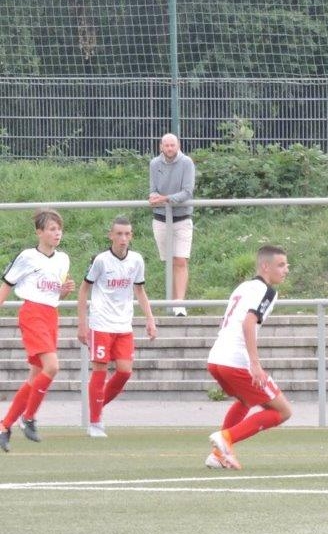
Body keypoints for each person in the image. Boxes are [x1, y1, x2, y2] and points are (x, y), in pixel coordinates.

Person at [205, 244, 293, 470]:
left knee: (246, 401)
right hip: (236, 360)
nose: (286, 270)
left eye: (286, 265)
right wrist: (255, 364)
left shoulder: (243, 287)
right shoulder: (268, 292)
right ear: (265, 266)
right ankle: (226, 438)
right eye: (281, 265)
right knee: (282, 411)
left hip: (216, 359)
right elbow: (248, 322)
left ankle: (218, 455)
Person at [76, 215, 158, 438]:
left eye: (127, 234)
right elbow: (83, 290)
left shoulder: (136, 260)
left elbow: (139, 290)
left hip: (124, 325)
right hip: (101, 323)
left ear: (131, 236)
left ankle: (97, 405)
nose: (123, 238)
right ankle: (95, 423)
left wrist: (150, 319)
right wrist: (82, 323)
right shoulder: (101, 260)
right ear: (111, 235)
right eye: (119, 234)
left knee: (124, 372)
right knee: (100, 371)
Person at [0, 209, 74, 452]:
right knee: (52, 366)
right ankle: (28, 417)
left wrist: (63, 291)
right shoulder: (27, 257)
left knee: (35, 377)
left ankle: (4, 426)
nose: (57, 233)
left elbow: (54, 294)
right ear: (39, 232)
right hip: (32, 314)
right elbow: (7, 285)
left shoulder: (63, 259)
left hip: (51, 315)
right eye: (52, 229)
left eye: (59, 229)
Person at [148, 132, 195, 316]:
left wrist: (165, 199)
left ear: (178, 146)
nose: (169, 148)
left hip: (182, 218)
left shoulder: (187, 163)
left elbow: (187, 192)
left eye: (172, 145)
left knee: (181, 260)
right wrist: (155, 198)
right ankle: (172, 302)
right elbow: (153, 190)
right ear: (161, 147)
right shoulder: (154, 164)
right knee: (169, 261)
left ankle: (179, 304)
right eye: (166, 145)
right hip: (160, 218)